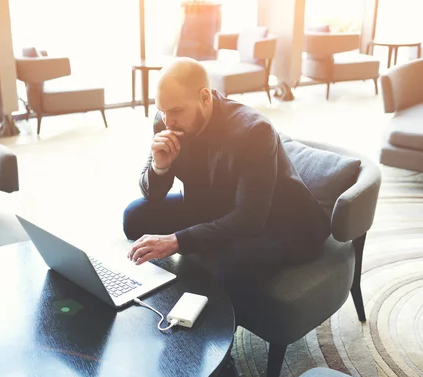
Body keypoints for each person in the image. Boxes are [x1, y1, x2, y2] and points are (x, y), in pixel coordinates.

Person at [123, 57, 331, 284]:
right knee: (134, 217)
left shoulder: (253, 131)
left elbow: (249, 219)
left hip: (278, 220)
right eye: (162, 110)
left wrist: (177, 241)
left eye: (176, 111)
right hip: (214, 206)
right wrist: (160, 166)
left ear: (204, 98)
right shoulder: (164, 122)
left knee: (233, 264)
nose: (168, 121)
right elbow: (152, 194)